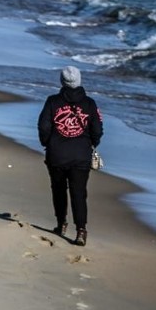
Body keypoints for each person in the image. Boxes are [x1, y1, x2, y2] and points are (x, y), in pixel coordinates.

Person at [37, 66, 103, 246]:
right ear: (79, 81)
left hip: (56, 154)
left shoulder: (52, 101)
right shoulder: (90, 104)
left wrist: (47, 143)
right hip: (81, 155)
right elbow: (97, 130)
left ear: (62, 82)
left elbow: (43, 127)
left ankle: (61, 224)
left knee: (58, 189)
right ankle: (81, 231)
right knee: (79, 193)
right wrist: (93, 143)